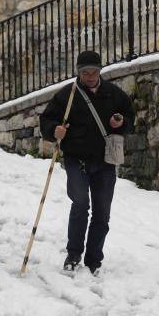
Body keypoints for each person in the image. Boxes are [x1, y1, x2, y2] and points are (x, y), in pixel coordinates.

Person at [40, 50, 134, 276]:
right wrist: (55, 130)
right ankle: (73, 255)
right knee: (81, 204)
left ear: (100, 71)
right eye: (85, 72)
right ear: (78, 72)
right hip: (76, 160)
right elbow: (47, 119)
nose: (90, 76)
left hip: (104, 162)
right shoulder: (68, 95)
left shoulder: (113, 94)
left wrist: (119, 122)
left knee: (102, 213)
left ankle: (94, 259)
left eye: (94, 72)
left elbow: (129, 117)